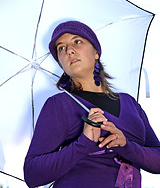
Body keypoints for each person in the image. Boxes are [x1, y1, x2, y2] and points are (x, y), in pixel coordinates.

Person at [24, 20, 160, 188]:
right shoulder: (59, 105)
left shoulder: (130, 103)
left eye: (77, 41)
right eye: (61, 48)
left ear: (96, 52)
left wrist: (127, 146)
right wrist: (84, 142)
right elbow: (32, 174)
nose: (69, 50)